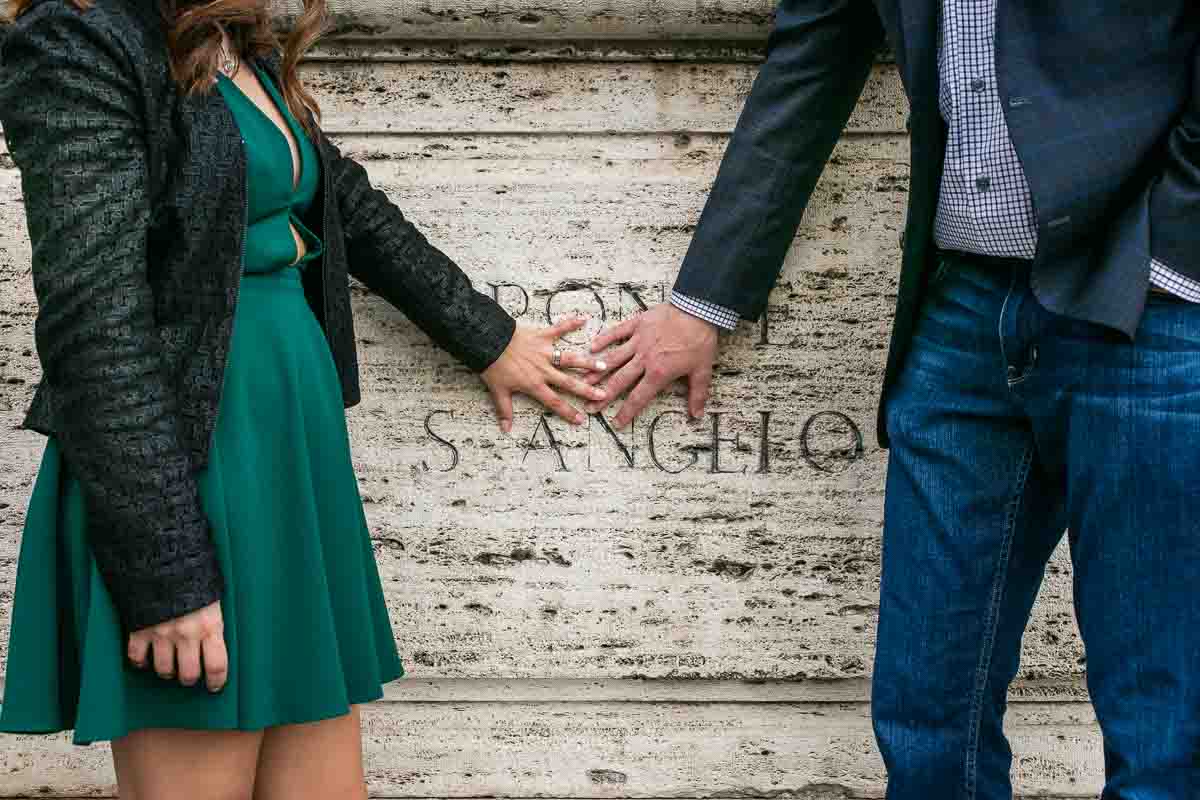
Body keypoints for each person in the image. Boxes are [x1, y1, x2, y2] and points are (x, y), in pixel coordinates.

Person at [586, 1, 1200, 797]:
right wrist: (707, 297)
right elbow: (817, 46)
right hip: (964, 311)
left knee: (1161, 727)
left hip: (1144, 307)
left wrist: (1174, 249)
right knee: (925, 709)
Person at [0, 0, 609, 795]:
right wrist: (167, 578)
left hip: (287, 442)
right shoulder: (78, 36)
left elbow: (340, 199)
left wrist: (486, 336)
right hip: (186, 458)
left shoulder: (229, 32)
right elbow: (94, 323)